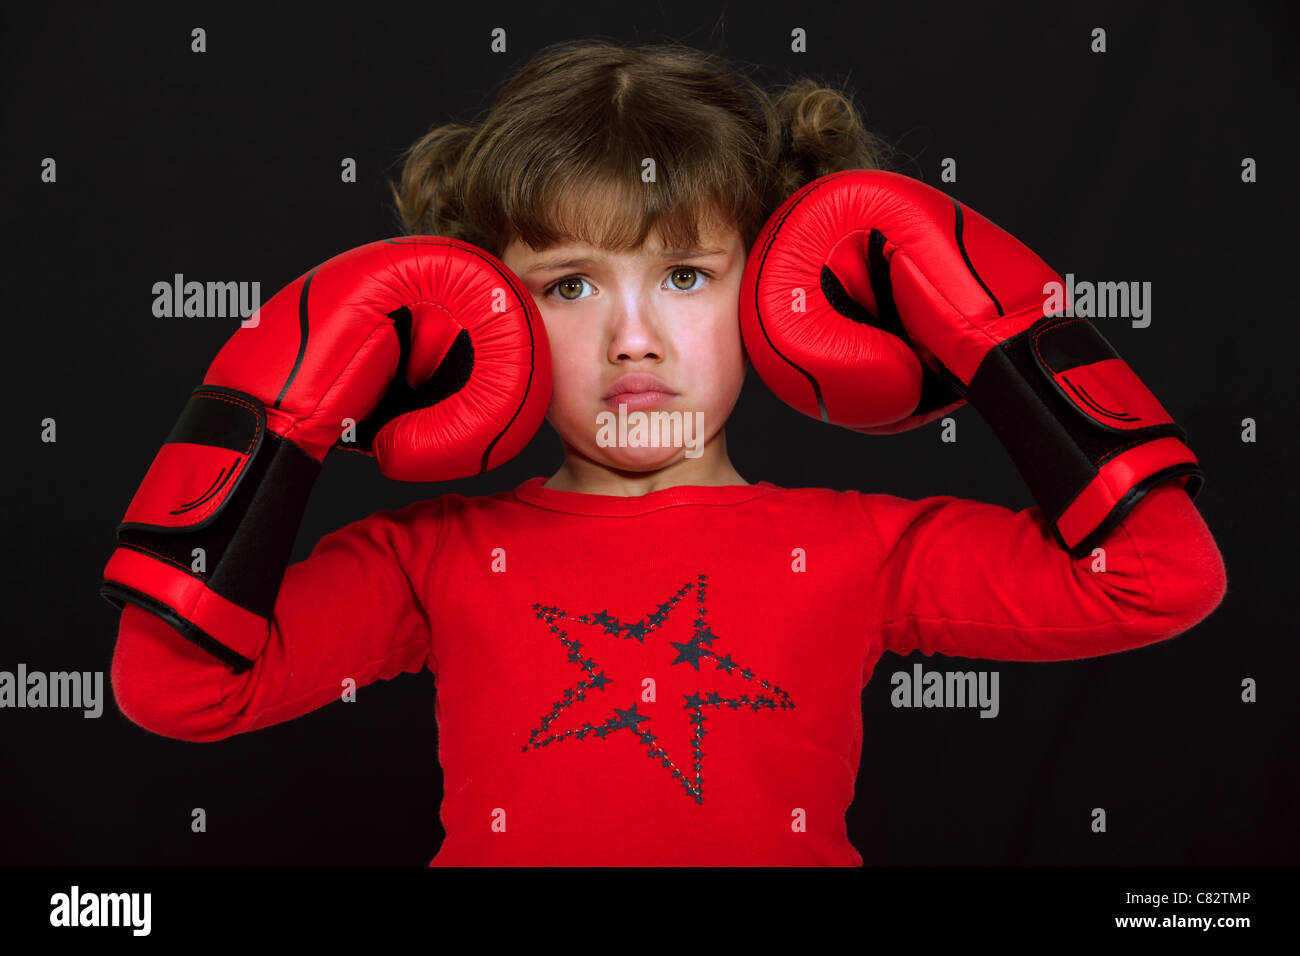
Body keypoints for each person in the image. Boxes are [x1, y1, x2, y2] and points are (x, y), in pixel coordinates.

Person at [104, 39, 1227, 866]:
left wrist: (996, 331)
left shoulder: (854, 545)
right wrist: (281, 409)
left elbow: (1161, 578)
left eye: (686, 275)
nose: (631, 336)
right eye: (569, 284)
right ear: (480, 311)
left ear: (782, 291)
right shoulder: (434, 556)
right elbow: (173, 689)